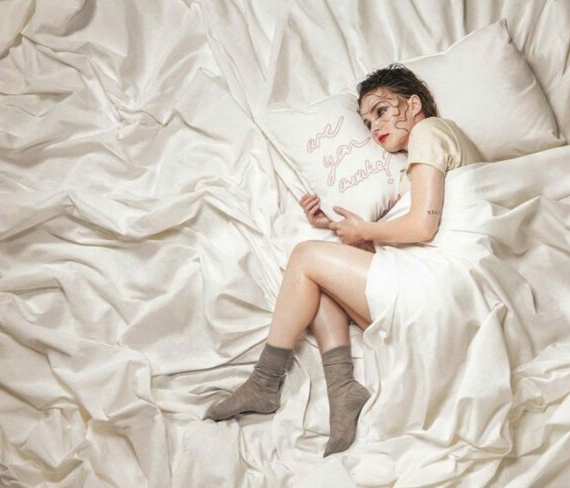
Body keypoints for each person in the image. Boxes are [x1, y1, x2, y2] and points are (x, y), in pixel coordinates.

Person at [204, 63, 484, 457]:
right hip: (431, 302)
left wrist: (364, 232)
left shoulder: (429, 131)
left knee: (305, 256)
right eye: (368, 122)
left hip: (440, 290)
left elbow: (423, 227)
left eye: (382, 111)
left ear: (414, 104)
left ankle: (265, 382)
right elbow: (410, 242)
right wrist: (338, 230)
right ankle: (342, 390)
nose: (375, 128)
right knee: (319, 274)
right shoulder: (416, 163)